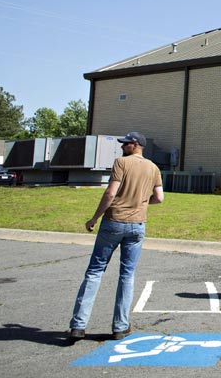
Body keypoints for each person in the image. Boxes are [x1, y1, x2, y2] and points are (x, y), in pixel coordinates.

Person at [68, 131, 164, 341]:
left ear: (136, 144)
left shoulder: (121, 163)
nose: (122, 146)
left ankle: (78, 324)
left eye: (126, 143)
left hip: (113, 222)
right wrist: (142, 202)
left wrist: (94, 218)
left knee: (95, 271)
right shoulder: (153, 168)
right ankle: (120, 326)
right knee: (127, 275)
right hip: (137, 225)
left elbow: (111, 192)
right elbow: (159, 197)